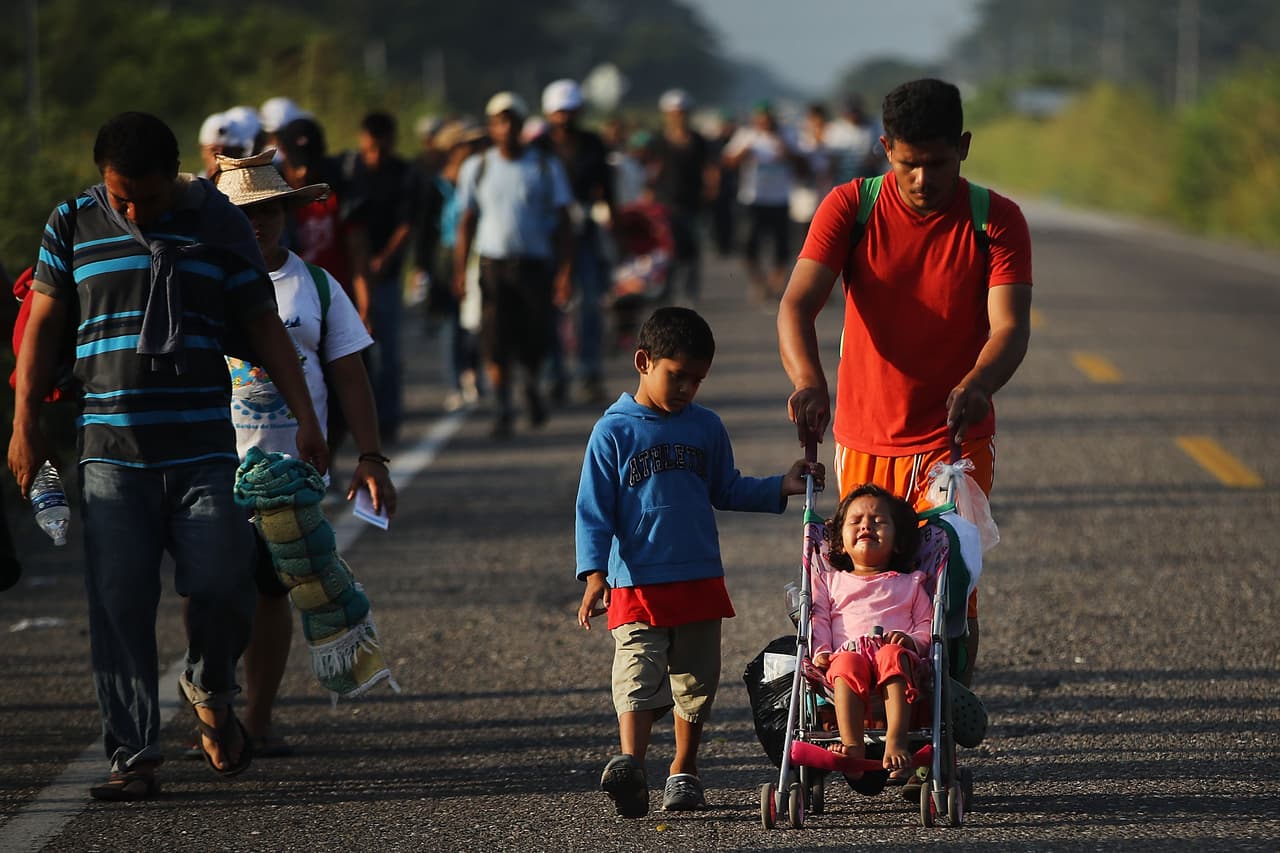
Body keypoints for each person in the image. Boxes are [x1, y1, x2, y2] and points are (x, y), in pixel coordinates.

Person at [8, 111, 327, 800]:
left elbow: (262, 324)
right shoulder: (70, 223)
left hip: (203, 451)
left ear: (172, 179)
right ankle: (133, 752)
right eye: (120, 195)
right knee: (119, 602)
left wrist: (306, 414)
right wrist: (24, 423)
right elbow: (42, 322)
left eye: (146, 198)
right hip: (109, 452)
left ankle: (211, 682)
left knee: (223, 583)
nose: (133, 210)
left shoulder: (218, 222)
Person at [777, 78, 1034, 687]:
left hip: (954, 447)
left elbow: (1011, 327)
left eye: (937, 163)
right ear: (885, 147)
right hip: (865, 438)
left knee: (949, 594)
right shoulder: (851, 206)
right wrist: (809, 381)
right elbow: (796, 306)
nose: (922, 181)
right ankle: (869, 715)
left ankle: (944, 721)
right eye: (908, 165)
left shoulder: (996, 220)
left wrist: (979, 382)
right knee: (866, 590)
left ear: (964, 147)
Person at [575, 306, 823, 817]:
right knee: (637, 674)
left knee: (696, 682)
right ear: (643, 361)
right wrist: (594, 573)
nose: (687, 387)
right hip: (637, 583)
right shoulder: (613, 433)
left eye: (697, 379)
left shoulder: (705, 427)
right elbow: (593, 510)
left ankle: (683, 770)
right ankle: (632, 766)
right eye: (677, 375)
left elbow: (726, 488)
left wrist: (781, 484)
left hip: (698, 581)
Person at [212, 150, 397, 756]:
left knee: (270, 591)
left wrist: (371, 456)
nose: (257, 223)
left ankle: (257, 721)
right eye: (243, 213)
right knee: (214, 590)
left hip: (293, 470)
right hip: (213, 464)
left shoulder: (316, 284)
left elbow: (349, 375)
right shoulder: (199, 283)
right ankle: (213, 712)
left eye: (268, 210)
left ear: (287, 212)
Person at [454, 91, 574, 439]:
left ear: (522, 126)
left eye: (511, 121)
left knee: (535, 334)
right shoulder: (478, 167)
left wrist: (565, 271)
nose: (505, 128)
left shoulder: (543, 166)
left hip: (535, 265)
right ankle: (503, 404)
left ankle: (532, 383)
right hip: (493, 265)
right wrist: (460, 271)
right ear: (491, 127)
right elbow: (466, 222)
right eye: (498, 121)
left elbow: (565, 220)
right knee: (495, 337)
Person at [811, 483, 927, 780]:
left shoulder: (910, 583)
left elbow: (929, 625)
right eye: (856, 521)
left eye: (878, 521)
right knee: (846, 662)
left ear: (898, 542)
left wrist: (912, 642)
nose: (866, 526)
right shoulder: (832, 582)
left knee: (892, 654)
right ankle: (853, 746)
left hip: (895, 663)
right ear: (839, 544)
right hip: (847, 661)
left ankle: (896, 740)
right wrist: (821, 652)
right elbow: (820, 619)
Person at [345, 111, 417, 444]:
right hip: (352, 273)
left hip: (385, 274)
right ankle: (361, 420)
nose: (374, 155)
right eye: (369, 148)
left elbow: (407, 223)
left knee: (387, 349)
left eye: (380, 148)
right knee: (356, 351)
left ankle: (388, 419)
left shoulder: (402, 174)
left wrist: (382, 260)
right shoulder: (351, 171)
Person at [542, 78, 615, 405]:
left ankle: (589, 372)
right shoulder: (539, 148)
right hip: (547, 236)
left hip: (584, 233)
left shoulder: (592, 144)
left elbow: (607, 186)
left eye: (570, 111)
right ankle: (553, 372)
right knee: (548, 307)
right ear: (549, 113)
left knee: (589, 303)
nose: (565, 118)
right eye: (559, 112)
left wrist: (617, 225)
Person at [721, 101, 806, 301]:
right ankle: (759, 282)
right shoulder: (746, 136)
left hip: (780, 199)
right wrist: (743, 154)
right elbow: (727, 162)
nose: (765, 122)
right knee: (748, 245)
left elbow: (804, 164)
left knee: (782, 247)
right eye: (761, 119)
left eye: (768, 118)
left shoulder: (788, 135)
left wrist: (787, 153)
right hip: (753, 199)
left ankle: (776, 285)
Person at [651, 89, 712, 304]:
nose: (678, 117)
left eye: (682, 112)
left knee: (692, 248)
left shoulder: (698, 141)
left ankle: (690, 290)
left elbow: (709, 169)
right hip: (665, 203)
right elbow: (652, 170)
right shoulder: (658, 141)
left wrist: (709, 191)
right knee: (667, 249)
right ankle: (664, 289)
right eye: (674, 113)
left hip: (692, 202)